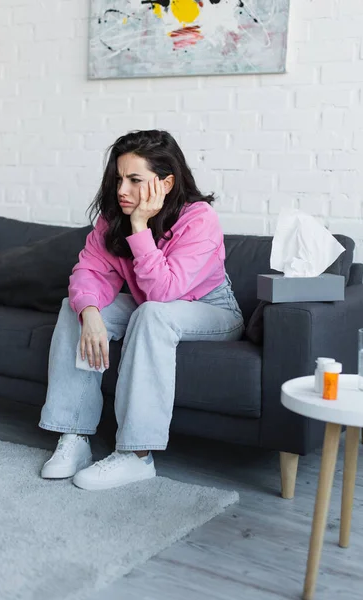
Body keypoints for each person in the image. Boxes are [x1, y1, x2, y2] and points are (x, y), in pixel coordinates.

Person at [39, 129, 245, 491]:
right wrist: (90, 314)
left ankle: (136, 456)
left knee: (152, 314)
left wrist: (139, 228)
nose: (122, 190)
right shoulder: (110, 218)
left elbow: (164, 293)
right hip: (147, 302)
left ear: (165, 183)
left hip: (212, 310)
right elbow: (88, 273)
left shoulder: (199, 219)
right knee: (77, 308)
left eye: (135, 180)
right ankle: (74, 437)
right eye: (119, 178)